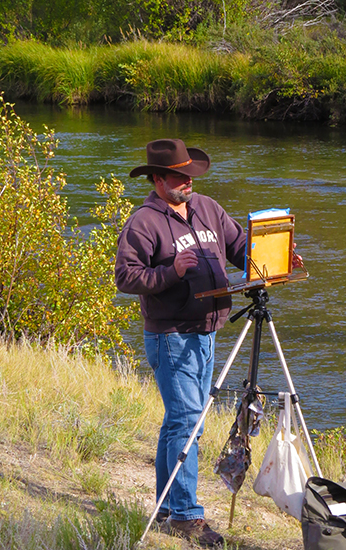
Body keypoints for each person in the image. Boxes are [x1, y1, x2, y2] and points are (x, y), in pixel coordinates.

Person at [115, 138, 246, 547]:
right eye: (178, 176)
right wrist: (171, 271)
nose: (187, 182)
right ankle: (187, 517)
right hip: (171, 337)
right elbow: (126, 277)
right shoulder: (144, 222)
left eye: (190, 174)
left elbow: (241, 246)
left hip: (207, 332)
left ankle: (166, 509)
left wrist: (277, 258)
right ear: (157, 179)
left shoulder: (208, 208)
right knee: (188, 423)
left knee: (181, 422)